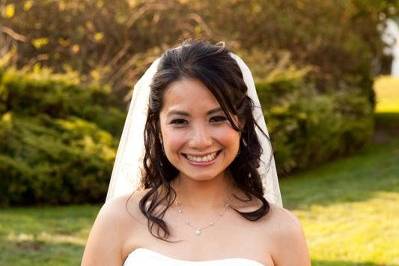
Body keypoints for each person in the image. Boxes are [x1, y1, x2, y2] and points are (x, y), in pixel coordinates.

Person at [81, 40, 310, 266]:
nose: (200, 141)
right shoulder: (118, 219)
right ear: (157, 127)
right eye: (180, 121)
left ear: (241, 121)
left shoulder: (281, 230)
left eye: (217, 118)